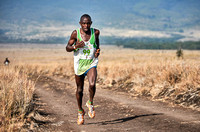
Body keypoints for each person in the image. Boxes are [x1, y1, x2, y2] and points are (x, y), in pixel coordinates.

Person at [66, 14, 100, 125]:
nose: (86, 25)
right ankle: (80, 111)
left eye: (88, 23)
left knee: (92, 84)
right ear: (80, 23)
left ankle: (90, 102)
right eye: (84, 23)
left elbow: (97, 44)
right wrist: (75, 47)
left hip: (91, 63)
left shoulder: (95, 32)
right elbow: (67, 48)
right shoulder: (75, 33)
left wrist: (97, 51)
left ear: (91, 23)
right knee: (79, 90)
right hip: (79, 64)